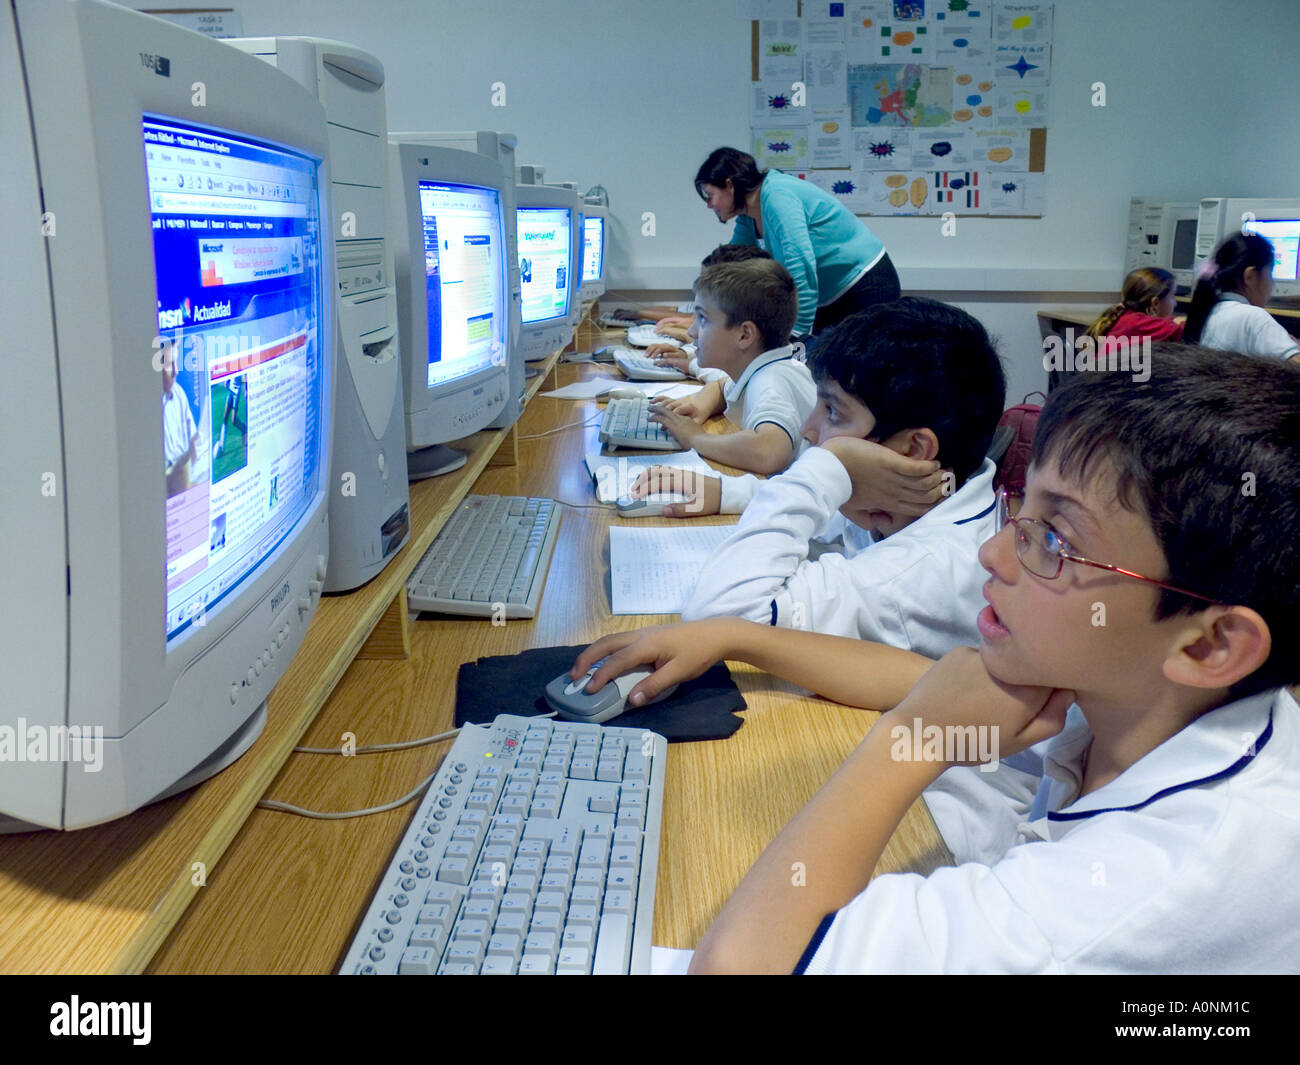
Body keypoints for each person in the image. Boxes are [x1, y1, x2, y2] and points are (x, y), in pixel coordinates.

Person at [576, 344, 1300, 974]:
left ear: (1210, 643)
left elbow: (738, 967)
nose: (993, 551)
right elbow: (932, 682)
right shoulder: (1155, 687)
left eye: (1055, 539)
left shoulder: (1138, 891)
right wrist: (736, 637)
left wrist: (905, 740)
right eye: (1023, 512)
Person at [672, 301, 1004, 660]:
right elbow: (832, 517)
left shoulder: (912, 577)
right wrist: (727, 492)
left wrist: (830, 463)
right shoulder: (930, 494)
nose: (808, 429)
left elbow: (716, 618)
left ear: (912, 450)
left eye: (832, 411)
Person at [695, 146, 899, 338]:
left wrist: (796, 335)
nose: (709, 205)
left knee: (850, 367)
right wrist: (701, 311)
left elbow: (800, 266)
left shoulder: (777, 196)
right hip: (831, 294)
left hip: (865, 282)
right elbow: (729, 263)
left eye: (710, 195)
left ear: (729, 185)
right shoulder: (747, 216)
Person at [646, 258, 815, 476]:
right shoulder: (767, 369)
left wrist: (696, 438)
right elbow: (721, 387)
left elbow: (770, 451)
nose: (691, 332)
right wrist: (699, 408)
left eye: (703, 319)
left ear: (744, 335)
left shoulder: (770, 381)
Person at [1183, 232, 1299, 360]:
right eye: (1270, 274)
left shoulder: (1206, 311)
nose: (1272, 283)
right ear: (1250, 276)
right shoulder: (1254, 318)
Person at [1084, 267, 1183, 345]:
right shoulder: (1140, 325)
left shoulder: (1126, 317)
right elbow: (1184, 330)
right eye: (1172, 296)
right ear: (1155, 303)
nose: (1175, 303)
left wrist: (1173, 320)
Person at [162, 346, 199, 497]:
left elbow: (193, 439)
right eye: (170, 364)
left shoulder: (178, 393)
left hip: (181, 475)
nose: (176, 371)